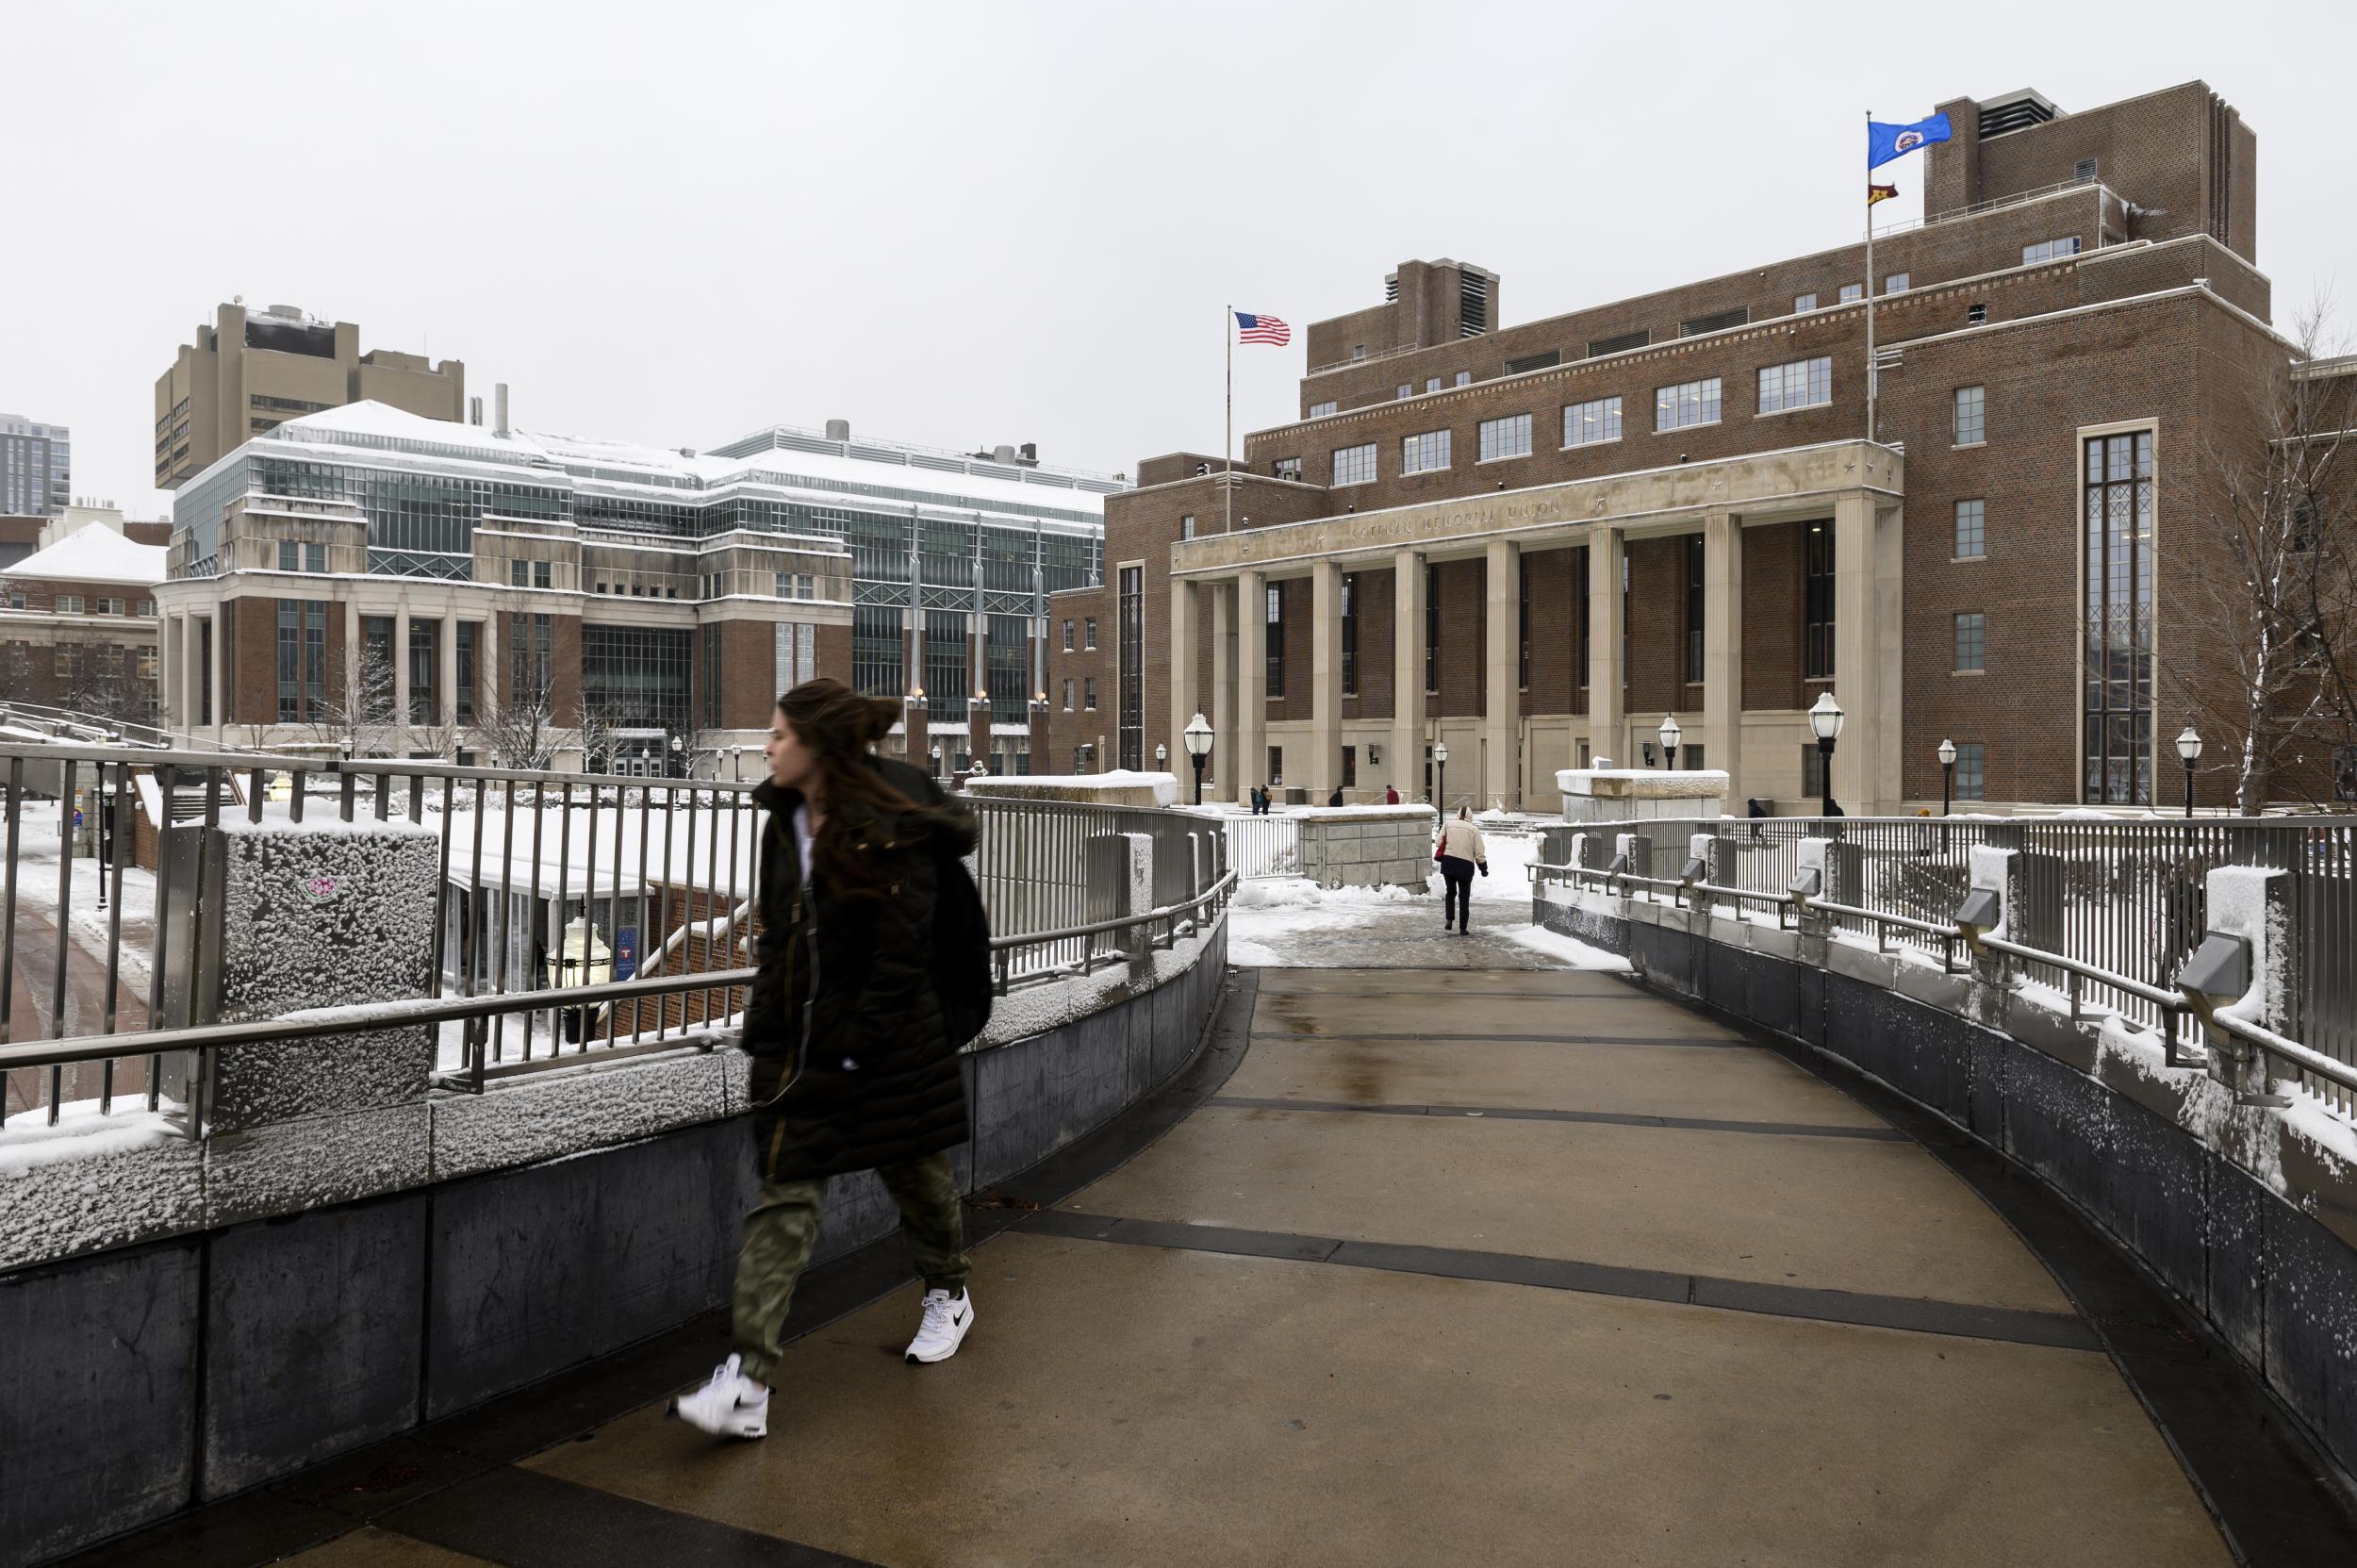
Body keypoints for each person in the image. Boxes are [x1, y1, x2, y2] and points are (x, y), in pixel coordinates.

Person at [672, 680, 986, 1441]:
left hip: (890, 1032)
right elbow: (782, 936)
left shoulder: (887, 818)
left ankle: (949, 1290)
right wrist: (767, 1032)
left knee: (916, 1172)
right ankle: (748, 1380)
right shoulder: (784, 820)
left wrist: (857, 1048)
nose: (767, 746)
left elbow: (900, 951)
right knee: (786, 1197)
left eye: (779, 733)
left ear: (816, 744)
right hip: (808, 1043)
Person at [1435, 805, 1489, 934]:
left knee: (1451, 892)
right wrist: (1483, 869)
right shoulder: (1474, 830)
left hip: (1449, 863)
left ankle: (1449, 919)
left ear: (1458, 814)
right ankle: (1463, 928)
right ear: (1470, 817)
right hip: (1465, 866)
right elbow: (1479, 853)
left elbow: (1438, 842)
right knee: (1464, 896)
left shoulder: (1448, 824)